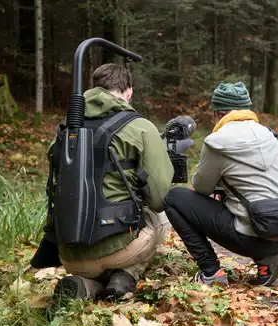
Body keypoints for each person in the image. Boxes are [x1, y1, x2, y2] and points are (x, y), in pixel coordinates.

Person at [34, 63, 174, 309]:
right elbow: (158, 197)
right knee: (161, 215)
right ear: (128, 91)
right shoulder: (140, 126)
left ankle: (86, 285)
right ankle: (127, 274)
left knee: (88, 266)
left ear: (94, 88)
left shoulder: (67, 129)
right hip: (122, 249)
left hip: (68, 253)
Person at [164, 82, 278, 287]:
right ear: (247, 109)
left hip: (250, 239)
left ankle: (211, 271)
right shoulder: (271, 135)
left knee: (174, 199)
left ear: (218, 114)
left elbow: (201, 188)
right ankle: (267, 263)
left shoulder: (217, 141)